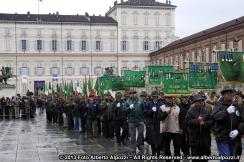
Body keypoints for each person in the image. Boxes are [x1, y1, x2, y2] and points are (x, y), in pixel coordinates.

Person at [211, 87, 244, 162]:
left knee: (234, 159)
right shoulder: (219, 105)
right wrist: (226, 112)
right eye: (227, 92)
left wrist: (238, 131)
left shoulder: (237, 106)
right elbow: (214, 116)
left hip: (235, 139)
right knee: (226, 158)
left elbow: (242, 121)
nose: (229, 94)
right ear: (223, 95)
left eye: (231, 92)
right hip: (222, 138)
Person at [186, 94, 214, 162]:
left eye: (201, 101)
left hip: (205, 140)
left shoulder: (206, 111)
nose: (200, 102)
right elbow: (187, 121)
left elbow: (212, 121)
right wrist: (196, 121)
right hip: (194, 140)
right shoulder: (190, 111)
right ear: (195, 102)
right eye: (198, 101)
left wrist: (204, 123)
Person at [160, 95, 183, 162]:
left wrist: (181, 128)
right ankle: (168, 160)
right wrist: (166, 113)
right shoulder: (162, 107)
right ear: (165, 99)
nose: (170, 99)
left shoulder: (178, 107)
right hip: (166, 130)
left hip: (176, 130)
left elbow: (180, 119)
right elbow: (160, 118)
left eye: (171, 98)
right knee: (167, 148)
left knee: (177, 147)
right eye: (168, 98)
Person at [144, 91, 164, 155]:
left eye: (156, 97)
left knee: (159, 139)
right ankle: (153, 152)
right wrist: (151, 111)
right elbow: (145, 112)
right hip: (151, 123)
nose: (155, 98)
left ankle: (158, 151)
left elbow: (163, 114)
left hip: (158, 123)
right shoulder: (148, 104)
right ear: (152, 97)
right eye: (154, 97)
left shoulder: (161, 104)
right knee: (152, 139)